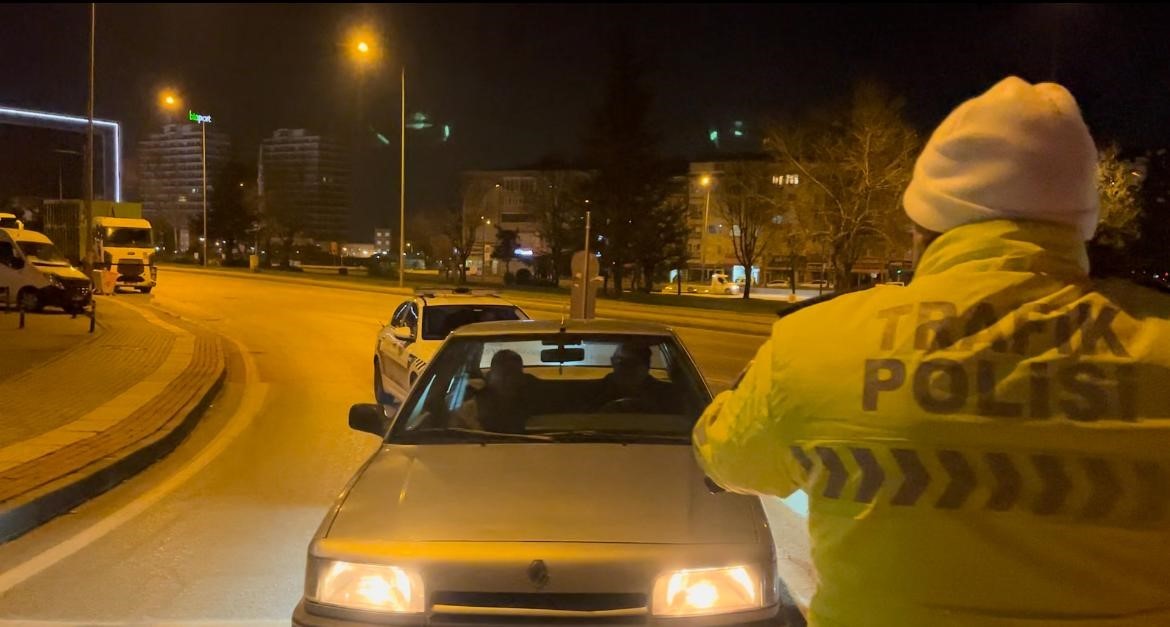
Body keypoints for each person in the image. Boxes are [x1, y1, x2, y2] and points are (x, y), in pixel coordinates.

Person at [693, 76, 1170, 626]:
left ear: (923, 225)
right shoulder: (1154, 340)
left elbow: (724, 455)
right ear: (1079, 225)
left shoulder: (818, 344)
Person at [455, 349, 537, 433]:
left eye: (512, 373)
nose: (506, 380)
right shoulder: (468, 412)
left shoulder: (535, 408)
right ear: (489, 377)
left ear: (521, 379)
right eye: (501, 374)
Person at [595, 342, 675, 412]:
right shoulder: (597, 391)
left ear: (645, 366)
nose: (624, 369)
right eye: (620, 362)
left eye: (631, 363)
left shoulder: (666, 394)